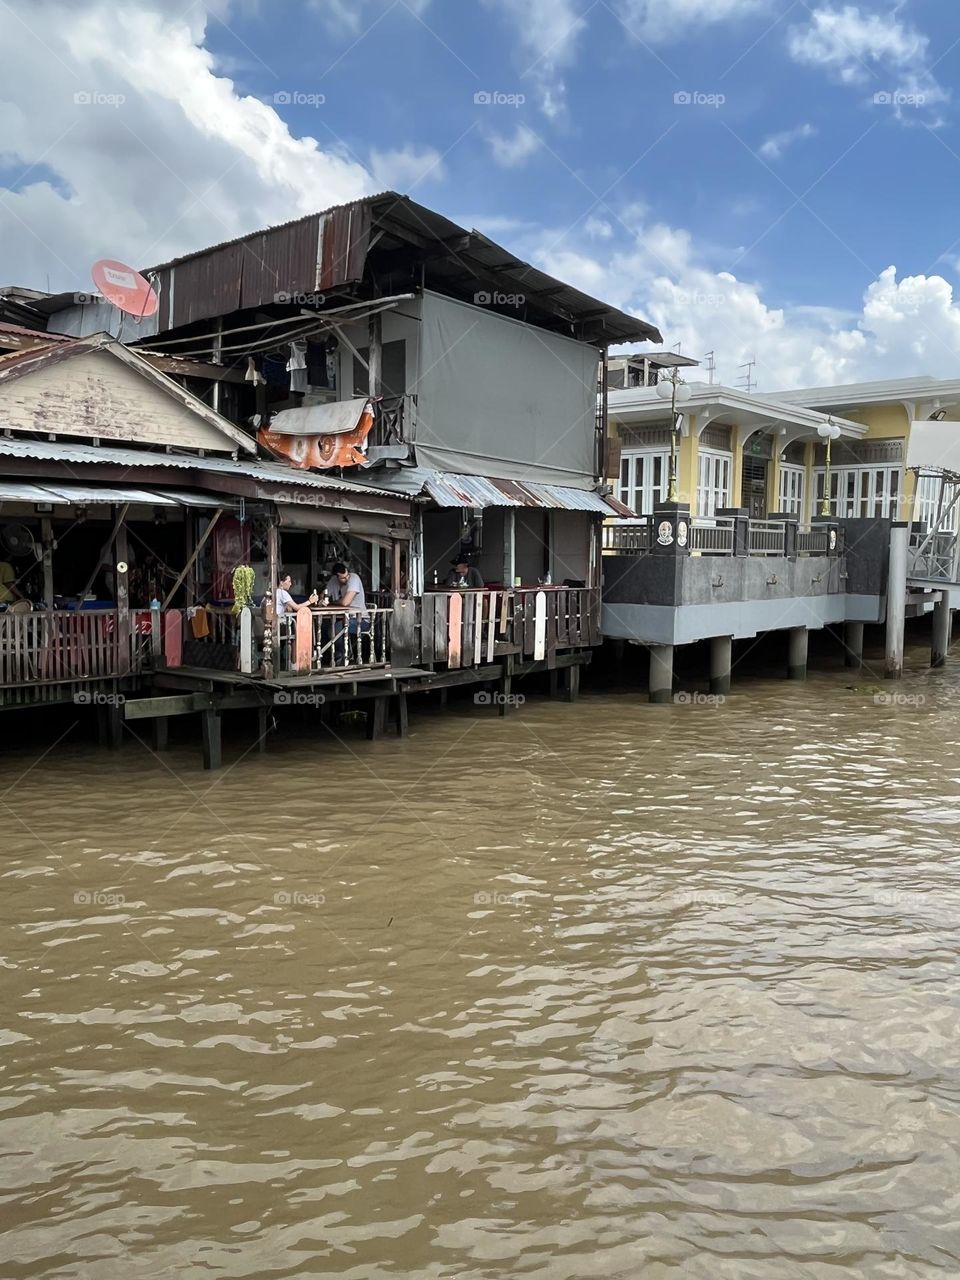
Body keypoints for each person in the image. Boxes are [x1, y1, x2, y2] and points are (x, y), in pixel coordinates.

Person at [323, 563, 370, 664]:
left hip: (360, 620)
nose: (346, 579)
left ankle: (343, 655)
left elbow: (345, 602)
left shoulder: (354, 578)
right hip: (343, 617)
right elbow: (324, 594)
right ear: (336, 576)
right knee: (323, 627)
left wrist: (332, 602)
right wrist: (322, 599)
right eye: (342, 578)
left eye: (347, 575)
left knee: (336, 629)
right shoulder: (333, 581)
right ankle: (328, 655)